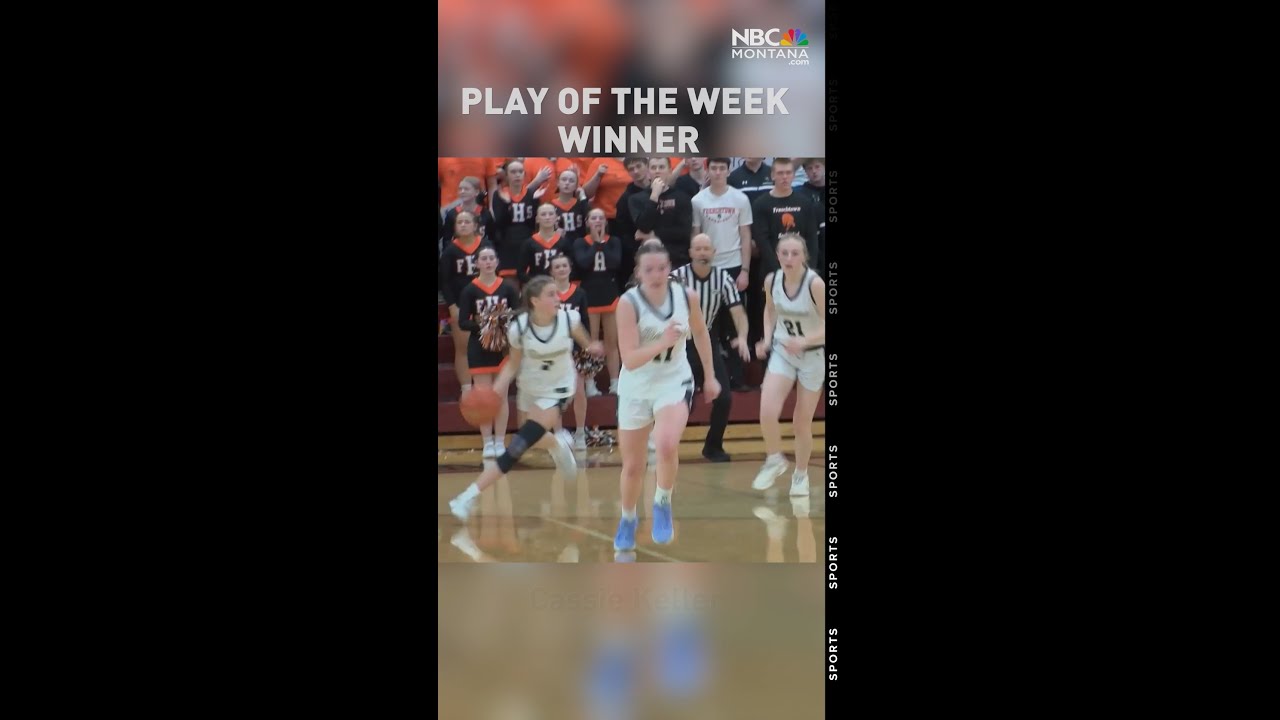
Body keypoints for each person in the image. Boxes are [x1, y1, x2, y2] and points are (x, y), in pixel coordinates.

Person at [449, 276, 605, 522]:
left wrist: (593, 347)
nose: (558, 298)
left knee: (518, 445)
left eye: (557, 293)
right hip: (530, 389)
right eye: (551, 294)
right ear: (535, 301)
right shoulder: (519, 328)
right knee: (533, 436)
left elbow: (586, 343)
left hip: (559, 390)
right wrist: (494, 392)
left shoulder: (569, 320)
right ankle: (557, 444)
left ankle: (467, 497)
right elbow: (512, 365)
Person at [611, 243, 720, 551]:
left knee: (667, 443)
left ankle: (662, 501)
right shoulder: (628, 303)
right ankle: (628, 518)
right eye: (649, 270)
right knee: (633, 466)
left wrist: (710, 375)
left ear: (669, 268)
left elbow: (701, 333)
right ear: (638, 272)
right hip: (636, 385)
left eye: (661, 268)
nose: (656, 275)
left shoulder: (687, 296)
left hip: (674, 379)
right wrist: (663, 341)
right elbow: (630, 359)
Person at [751, 235, 826, 497]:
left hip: (813, 355)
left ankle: (801, 475)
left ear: (804, 256)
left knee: (801, 422)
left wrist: (805, 340)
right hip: (783, 352)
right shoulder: (772, 280)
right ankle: (774, 459)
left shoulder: (815, 284)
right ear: (777, 255)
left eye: (795, 253)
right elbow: (770, 310)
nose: (789, 258)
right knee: (767, 409)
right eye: (784, 253)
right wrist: (767, 339)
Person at [670, 235, 751, 462]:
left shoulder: (723, 278)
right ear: (690, 253)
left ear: (714, 252)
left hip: (706, 341)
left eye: (706, 248)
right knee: (677, 400)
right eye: (698, 249)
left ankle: (713, 446)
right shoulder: (676, 278)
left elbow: (738, 312)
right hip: (679, 344)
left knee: (724, 398)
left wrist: (742, 337)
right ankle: (663, 445)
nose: (702, 253)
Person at [691, 157, 755, 390]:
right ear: (708, 171)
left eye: (722, 168)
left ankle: (737, 378)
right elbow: (696, 236)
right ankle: (701, 378)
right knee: (706, 324)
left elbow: (746, 236)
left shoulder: (740, 198)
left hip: (734, 266)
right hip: (708, 268)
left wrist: (745, 270)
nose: (718, 172)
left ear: (729, 171)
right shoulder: (698, 200)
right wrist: (697, 268)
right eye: (714, 168)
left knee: (735, 323)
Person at [749, 158, 822, 351]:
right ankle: (770, 357)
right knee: (771, 315)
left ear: (793, 175)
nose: (784, 177)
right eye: (780, 173)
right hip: (772, 272)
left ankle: (805, 352)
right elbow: (763, 242)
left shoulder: (805, 203)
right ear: (772, 175)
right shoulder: (761, 204)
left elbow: (812, 239)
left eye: (788, 173)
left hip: (802, 273)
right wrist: (781, 272)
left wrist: (809, 271)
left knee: (807, 317)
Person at [455, 246, 520, 458]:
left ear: (497, 262)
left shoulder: (508, 287)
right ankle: (487, 443)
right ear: (477, 264)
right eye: (484, 259)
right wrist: (487, 326)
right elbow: (463, 322)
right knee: (483, 397)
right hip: (479, 347)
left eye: (492, 258)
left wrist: (502, 324)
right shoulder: (470, 290)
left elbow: (519, 313)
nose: (488, 262)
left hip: (503, 347)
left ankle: (500, 442)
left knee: (500, 396)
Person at [573, 208, 624, 398]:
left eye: (601, 218)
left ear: (606, 222)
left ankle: (615, 382)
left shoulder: (614, 241)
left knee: (612, 342)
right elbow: (583, 263)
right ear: (587, 222)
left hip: (610, 294)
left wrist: (602, 242)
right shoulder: (580, 243)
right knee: (591, 342)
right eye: (593, 218)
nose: (597, 221)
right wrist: (596, 242)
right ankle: (590, 383)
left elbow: (614, 262)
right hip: (589, 295)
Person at [439, 211, 489, 392]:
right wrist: (452, 305)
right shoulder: (450, 250)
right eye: (459, 222)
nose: (463, 225)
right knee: (463, 348)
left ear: (475, 226)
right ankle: (466, 389)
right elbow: (444, 281)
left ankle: (487, 387)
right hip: (461, 305)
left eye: (467, 222)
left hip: (485, 303)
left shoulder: (485, 247)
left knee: (489, 346)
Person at [548, 254, 591, 449]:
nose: (561, 269)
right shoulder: (548, 294)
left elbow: (585, 322)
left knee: (579, 391)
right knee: (556, 393)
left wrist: (586, 346)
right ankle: (558, 433)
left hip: (575, 350)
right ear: (551, 271)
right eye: (557, 267)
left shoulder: (579, 293)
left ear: (570, 268)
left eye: (564, 266)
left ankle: (580, 433)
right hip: (554, 350)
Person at [492, 159, 553, 283]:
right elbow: (498, 224)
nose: (517, 175)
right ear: (506, 175)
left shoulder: (532, 194)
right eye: (513, 172)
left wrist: (535, 202)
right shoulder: (499, 195)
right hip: (507, 246)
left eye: (520, 172)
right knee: (511, 284)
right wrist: (506, 204)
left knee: (529, 284)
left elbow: (534, 224)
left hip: (527, 244)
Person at [629, 156, 694, 268]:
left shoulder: (682, 197)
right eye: (653, 168)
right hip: (650, 260)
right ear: (648, 172)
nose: (657, 171)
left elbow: (684, 232)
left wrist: (654, 234)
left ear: (669, 171)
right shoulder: (636, 199)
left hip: (678, 260)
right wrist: (654, 196)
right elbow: (643, 226)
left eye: (661, 167)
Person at [519, 203, 575, 283]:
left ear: (556, 218)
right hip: (537, 287)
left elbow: (572, 269)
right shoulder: (528, 244)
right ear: (537, 219)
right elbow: (521, 272)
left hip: (559, 286)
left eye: (551, 214)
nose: (547, 217)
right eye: (543, 214)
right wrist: (537, 283)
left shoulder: (565, 243)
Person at [441, 176, 496, 249]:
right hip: (459, 253)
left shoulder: (485, 214)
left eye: (466, 189)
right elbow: (446, 240)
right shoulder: (452, 214)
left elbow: (492, 238)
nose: (462, 191)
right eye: (460, 189)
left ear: (476, 192)